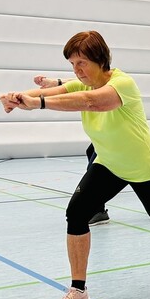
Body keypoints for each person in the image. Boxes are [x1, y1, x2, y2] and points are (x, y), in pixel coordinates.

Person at [0, 30, 150, 299]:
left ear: (100, 59)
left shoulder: (122, 83)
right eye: (72, 64)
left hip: (142, 165)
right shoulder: (81, 84)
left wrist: (37, 103)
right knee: (77, 214)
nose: (76, 70)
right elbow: (45, 93)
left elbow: (92, 102)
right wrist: (15, 97)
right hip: (108, 163)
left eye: (81, 62)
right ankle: (78, 291)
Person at [33, 74, 110, 224]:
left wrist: (39, 101)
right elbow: (77, 83)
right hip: (104, 138)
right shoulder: (91, 80)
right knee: (92, 155)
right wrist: (55, 83)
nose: (78, 69)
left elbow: (80, 89)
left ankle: (98, 210)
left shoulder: (113, 81)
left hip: (120, 141)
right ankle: (98, 210)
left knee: (98, 168)